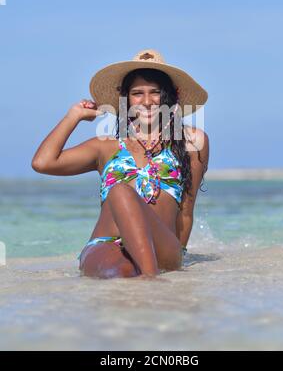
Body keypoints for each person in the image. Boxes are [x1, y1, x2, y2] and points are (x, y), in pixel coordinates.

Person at [31, 49, 209, 280]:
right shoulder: (106, 147)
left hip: (162, 246)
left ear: (171, 96)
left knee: (120, 191)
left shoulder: (192, 142)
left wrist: (178, 256)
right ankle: (146, 284)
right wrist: (73, 116)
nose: (147, 101)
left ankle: (151, 281)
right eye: (137, 93)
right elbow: (43, 163)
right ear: (125, 99)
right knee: (120, 275)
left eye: (155, 92)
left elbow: (186, 211)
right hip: (108, 243)